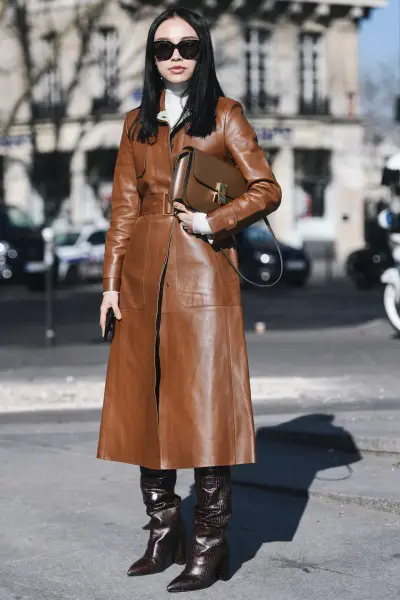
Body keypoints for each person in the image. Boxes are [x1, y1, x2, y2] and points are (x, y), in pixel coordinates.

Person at [97, 6, 281, 593]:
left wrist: (210, 221)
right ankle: (162, 530)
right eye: (162, 47)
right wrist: (109, 284)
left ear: (203, 52)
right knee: (146, 406)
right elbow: (123, 210)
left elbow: (266, 188)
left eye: (187, 45)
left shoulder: (225, 116)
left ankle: (208, 543)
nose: (175, 56)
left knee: (202, 411)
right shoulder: (135, 124)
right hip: (142, 279)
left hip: (205, 278)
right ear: (151, 58)